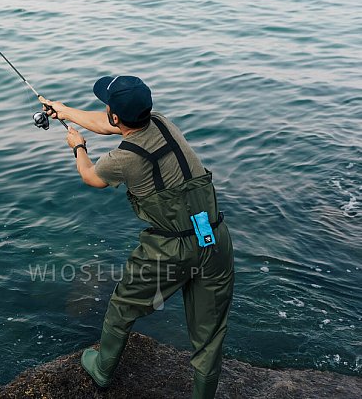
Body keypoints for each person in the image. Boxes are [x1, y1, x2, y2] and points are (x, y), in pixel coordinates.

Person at [39, 76, 234, 398]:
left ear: (117, 115)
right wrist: (64, 111)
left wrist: (78, 147)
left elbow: (91, 177)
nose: (107, 112)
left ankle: (102, 370)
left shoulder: (123, 160)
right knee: (210, 333)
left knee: (122, 307)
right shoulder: (162, 123)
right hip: (213, 237)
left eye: (109, 107)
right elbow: (105, 123)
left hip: (170, 248)